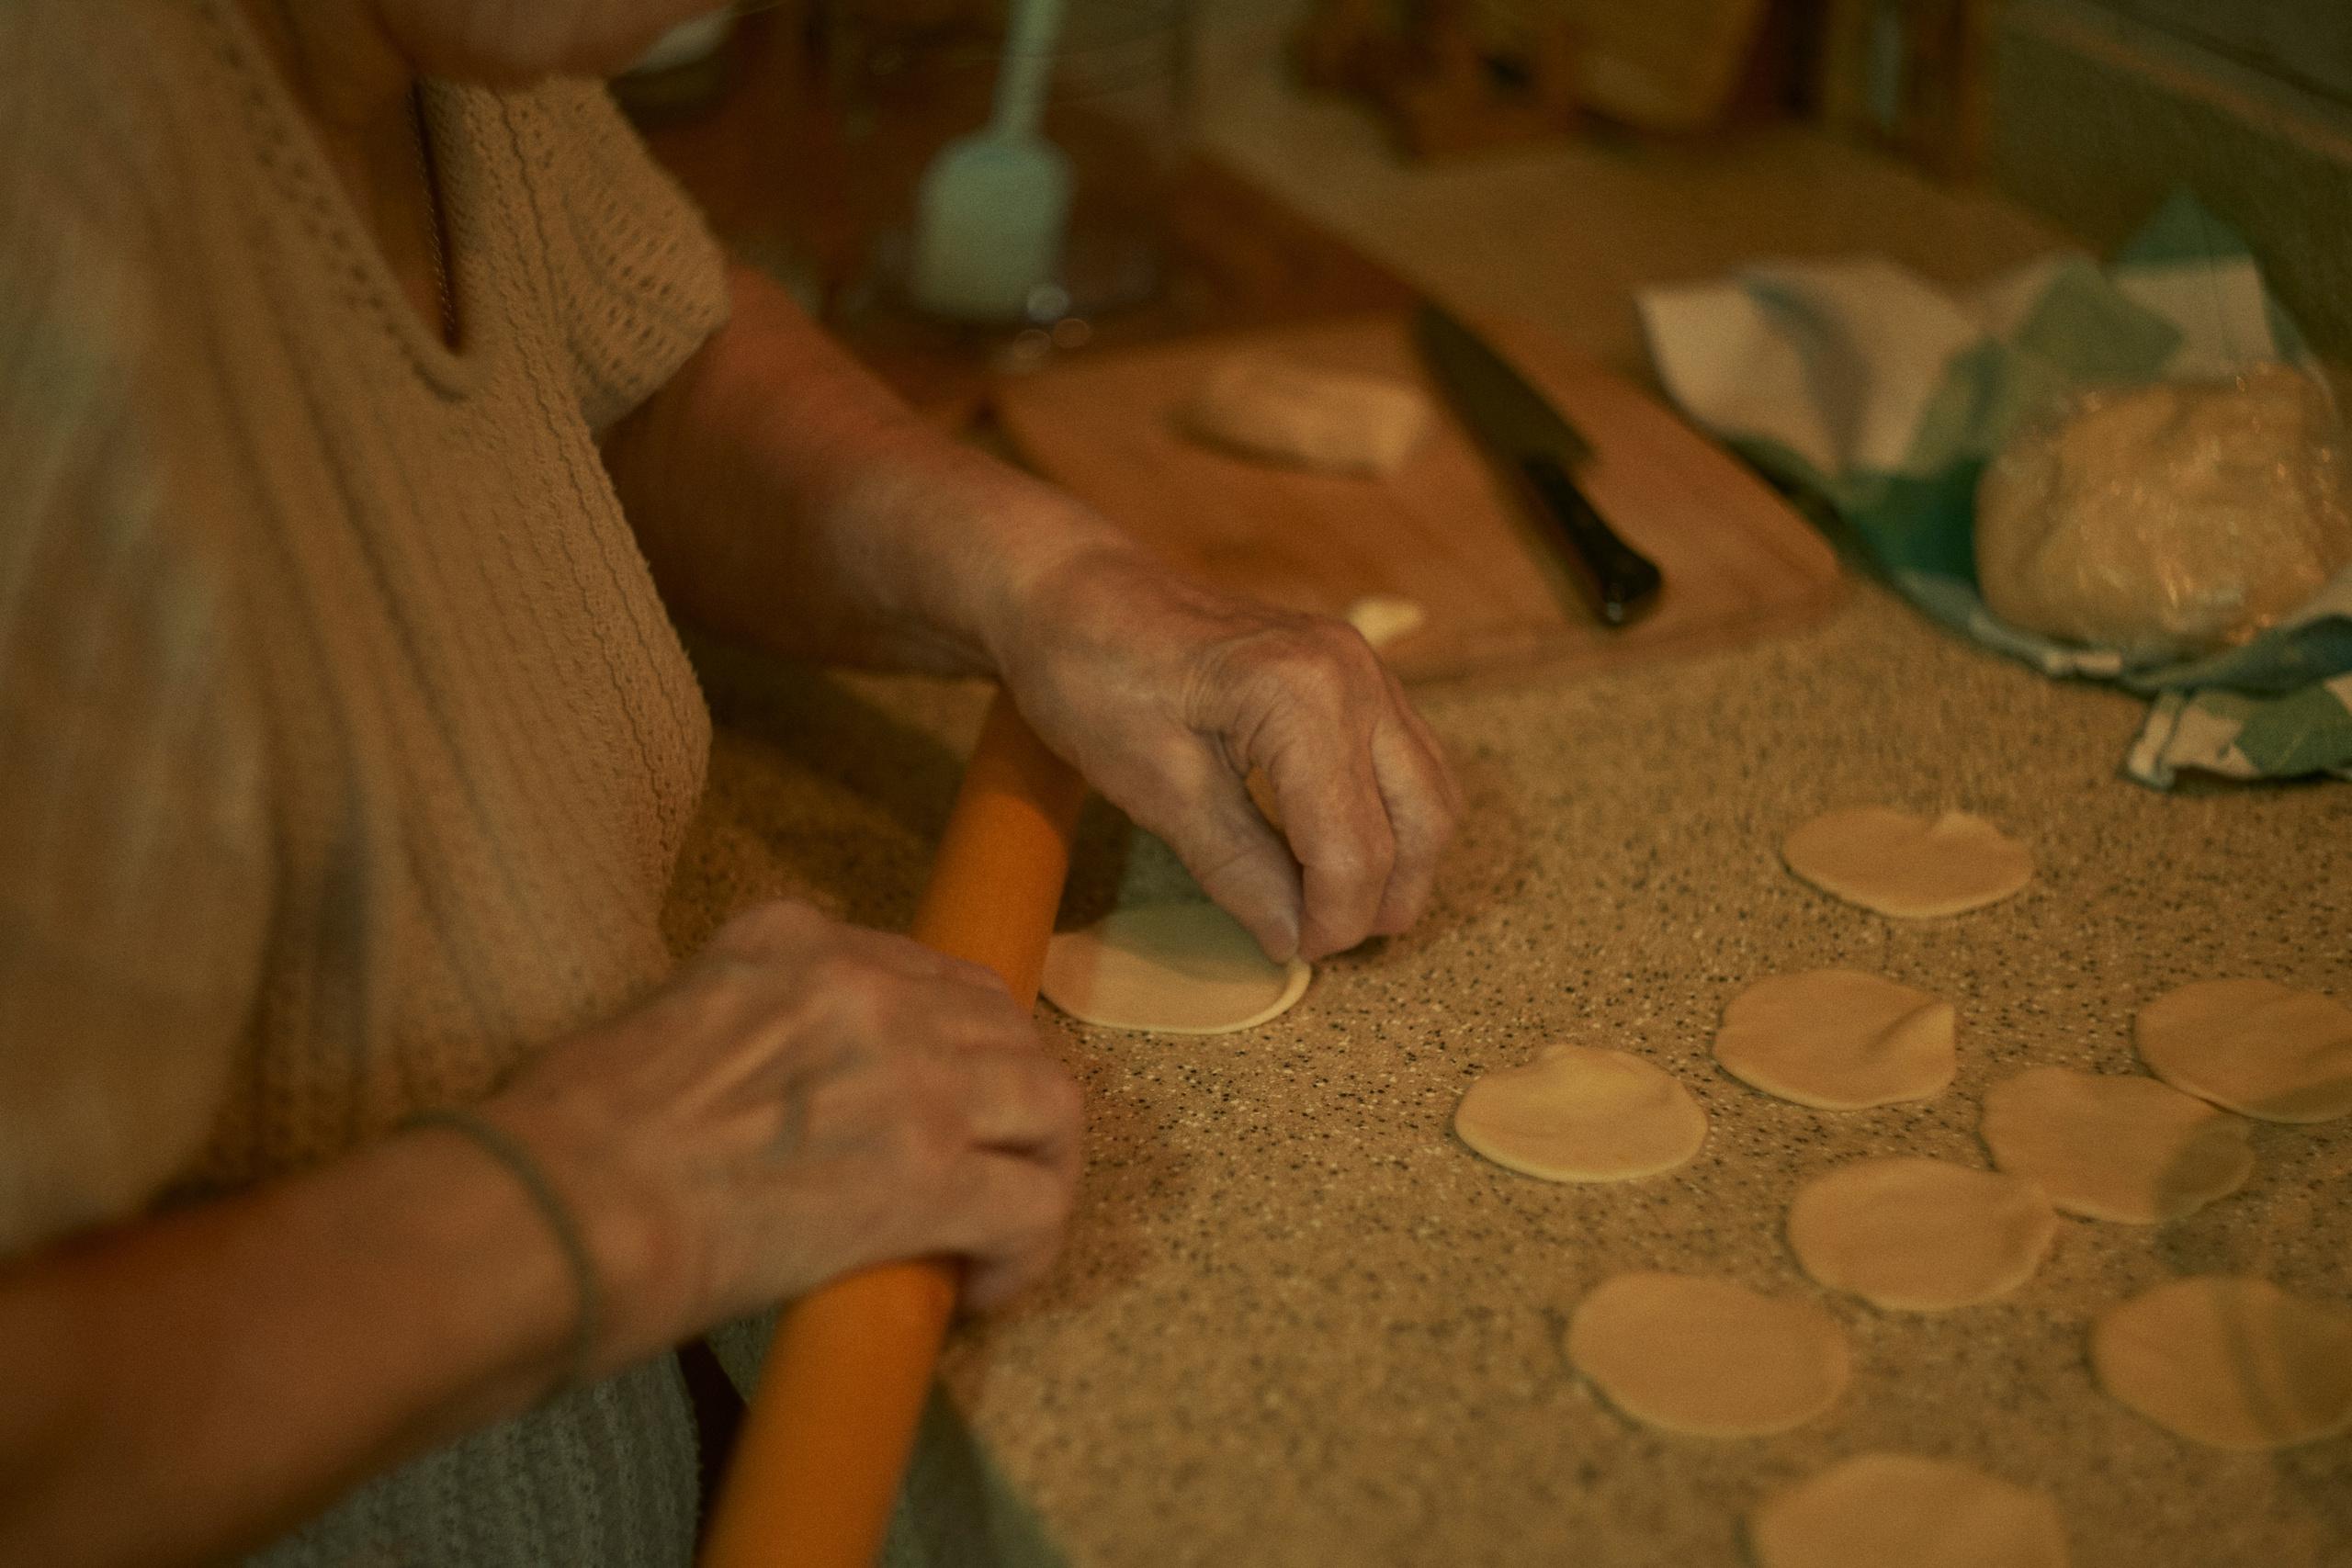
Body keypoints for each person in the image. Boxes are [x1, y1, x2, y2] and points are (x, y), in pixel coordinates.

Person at [0, 1, 1461, 1563]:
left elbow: (633, 355)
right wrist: (598, 1200)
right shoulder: (48, 176)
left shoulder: (450, 38)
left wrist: (1047, 582)